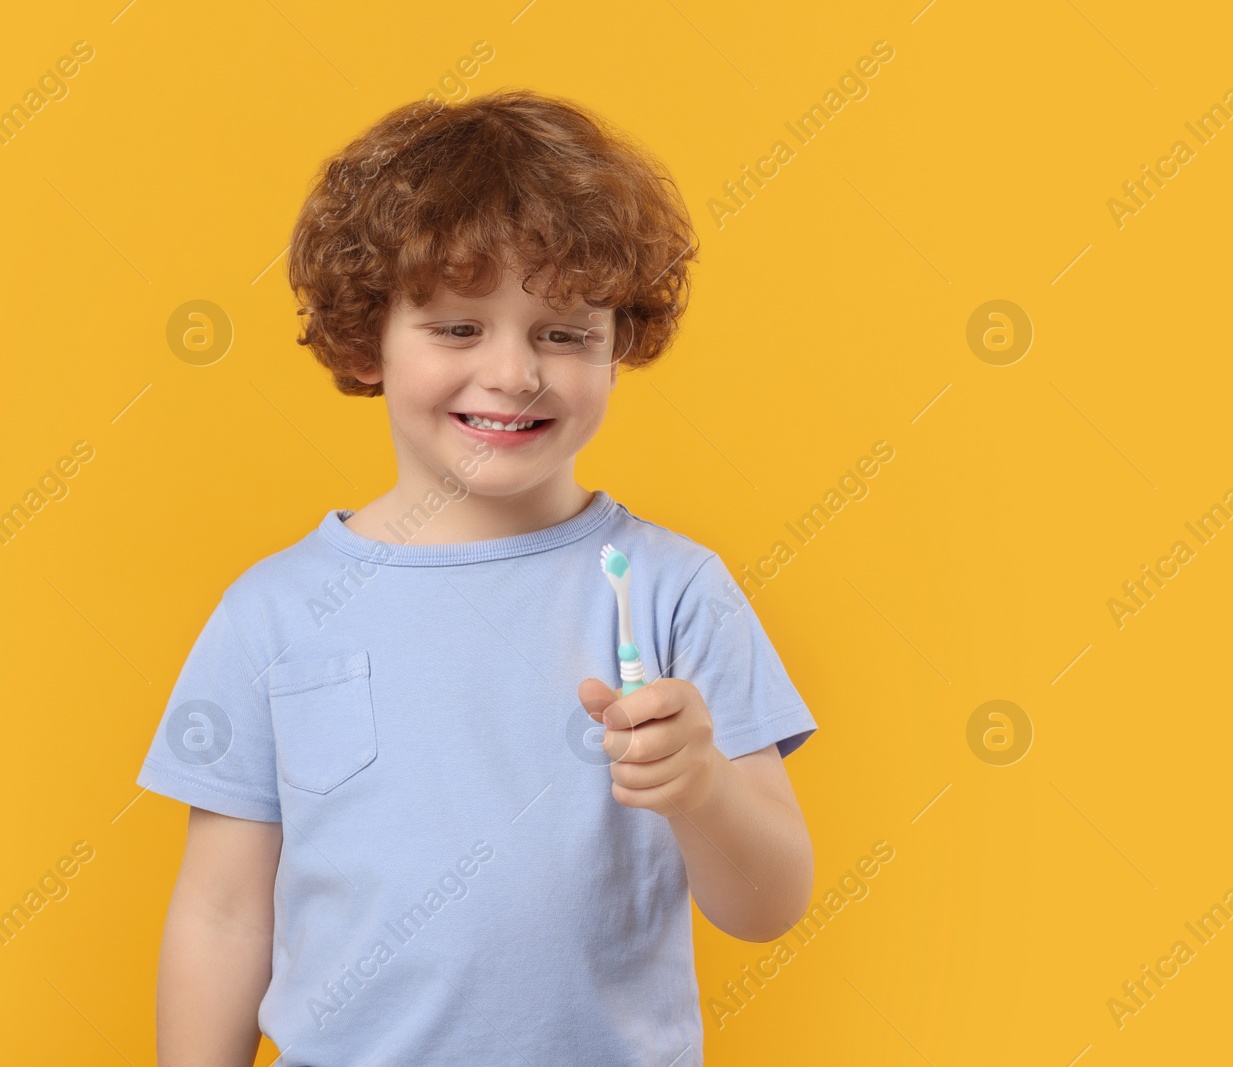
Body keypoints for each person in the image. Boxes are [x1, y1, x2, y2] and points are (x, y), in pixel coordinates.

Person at [135, 87, 818, 1066]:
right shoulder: (273, 614)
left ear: (618, 343)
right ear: (368, 336)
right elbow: (225, 910)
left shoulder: (674, 590)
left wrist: (701, 785)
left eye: (562, 331)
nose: (513, 374)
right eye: (459, 328)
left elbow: (768, 904)